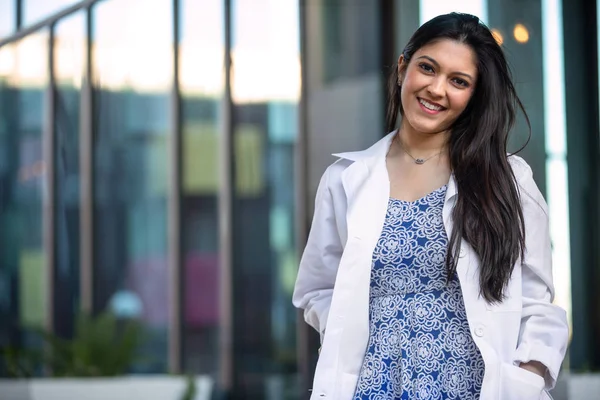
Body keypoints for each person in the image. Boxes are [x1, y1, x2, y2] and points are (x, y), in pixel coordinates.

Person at [292, 12, 569, 400]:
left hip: (475, 388)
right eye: (428, 68)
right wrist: (350, 329)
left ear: (473, 95)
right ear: (404, 67)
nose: (437, 89)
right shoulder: (344, 179)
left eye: (458, 81)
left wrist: (529, 376)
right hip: (372, 386)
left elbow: (537, 301)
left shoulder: (508, 180)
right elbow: (317, 288)